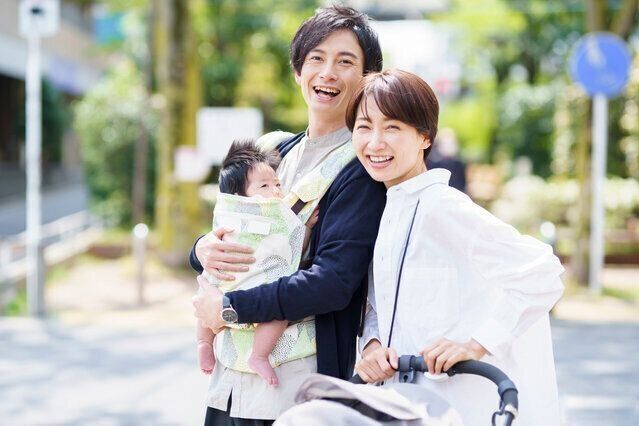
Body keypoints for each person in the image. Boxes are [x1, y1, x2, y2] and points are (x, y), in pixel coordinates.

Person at [190, 6, 385, 424]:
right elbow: (231, 224)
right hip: (229, 381)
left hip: (295, 387)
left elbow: (333, 282)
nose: (327, 73)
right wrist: (201, 249)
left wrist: (229, 307)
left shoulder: (361, 170)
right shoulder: (274, 152)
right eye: (316, 58)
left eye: (345, 62)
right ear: (298, 71)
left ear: (367, 77)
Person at [346, 69, 564, 425]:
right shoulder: (387, 209)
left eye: (393, 127)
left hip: (460, 403)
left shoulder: (441, 206)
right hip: (406, 403)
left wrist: (475, 343)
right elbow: (380, 303)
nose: (375, 142)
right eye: (364, 127)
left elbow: (542, 272)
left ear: (424, 137)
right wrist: (372, 345)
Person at [197, 139, 319, 387]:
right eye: (264, 186)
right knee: (207, 296)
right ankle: (215, 345)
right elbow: (293, 243)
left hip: (248, 283)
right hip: (236, 277)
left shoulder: (275, 213)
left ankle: (240, 350)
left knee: (274, 307)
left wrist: (303, 226)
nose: (275, 191)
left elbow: (290, 243)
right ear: (238, 197)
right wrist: (304, 227)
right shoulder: (241, 214)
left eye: (278, 184)